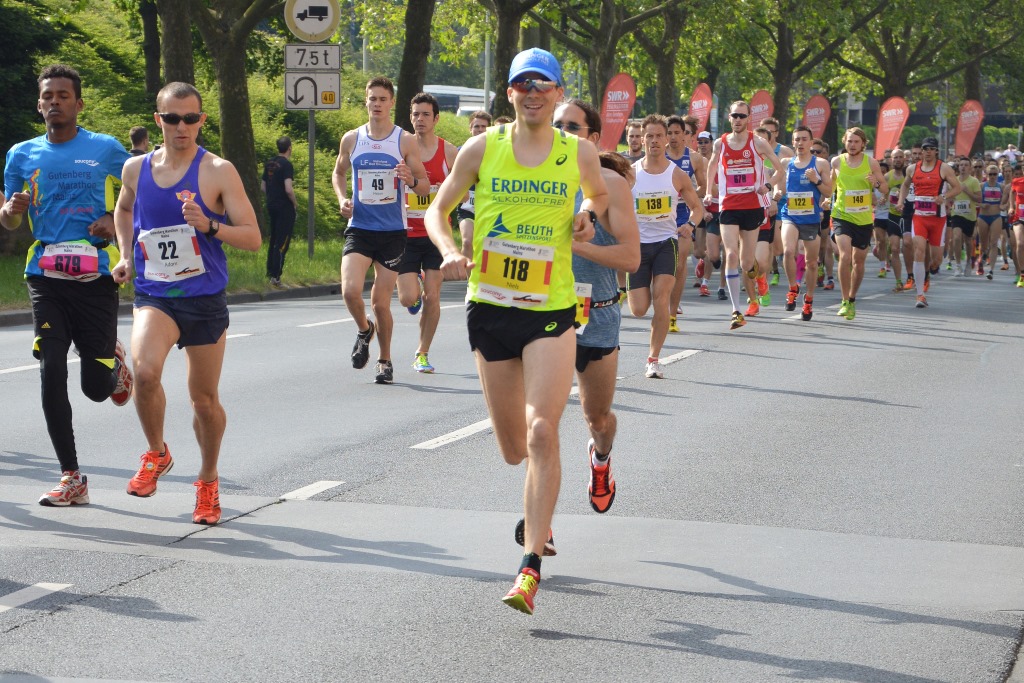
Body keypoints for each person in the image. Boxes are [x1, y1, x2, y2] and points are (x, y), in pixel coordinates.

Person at [424, 47, 607, 615]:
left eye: (544, 85)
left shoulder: (578, 151)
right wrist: (450, 248)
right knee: (511, 450)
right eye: (523, 84)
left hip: (551, 311)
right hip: (491, 308)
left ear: (557, 94)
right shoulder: (484, 148)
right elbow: (437, 207)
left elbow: (599, 194)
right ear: (510, 94)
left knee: (541, 434)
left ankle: (529, 567)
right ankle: (536, 504)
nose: (534, 93)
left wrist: (589, 214)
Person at [111, 81, 262, 525]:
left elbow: (253, 237)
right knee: (145, 372)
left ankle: (209, 480)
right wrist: (124, 253)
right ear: (158, 120)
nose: (182, 126)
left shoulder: (217, 170)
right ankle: (157, 453)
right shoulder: (135, 169)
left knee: (203, 401)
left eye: (191, 118)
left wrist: (209, 225)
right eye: (173, 118)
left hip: (204, 299)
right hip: (155, 293)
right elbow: (123, 210)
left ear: (202, 121)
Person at [2, 64, 134, 507]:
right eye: (48, 96)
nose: (55, 102)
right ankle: (71, 476)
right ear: (39, 105)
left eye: (63, 95)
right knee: (50, 366)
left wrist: (113, 223)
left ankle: (112, 363)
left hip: (95, 275)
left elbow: (141, 195)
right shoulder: (22, 154)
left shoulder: (106, 149)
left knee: (95, 388)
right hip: (45, 273)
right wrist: (13, 209)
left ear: (78, 103)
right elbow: (9, 217)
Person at [551, 99, 639, 515]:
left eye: (573, 127)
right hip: (542, 310)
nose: (563, 132)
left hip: (597, 309)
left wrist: (575, 245)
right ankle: (539, 521)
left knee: (597, 418)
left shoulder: (610, 184)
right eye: (557, 125)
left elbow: (630, 259)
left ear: (592, 138)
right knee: (540, 423)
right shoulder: (530, 179)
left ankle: (600, 459)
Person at [331, 76, 429, 384]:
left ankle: (384, 359)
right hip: (359, 227)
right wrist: (342, 198)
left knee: (380, 302)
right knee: (349, 290)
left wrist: (409, 179)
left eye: (382, 99)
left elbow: (424, 184)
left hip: (392, 231)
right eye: (372, 99)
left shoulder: (404, 140)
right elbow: (338, 172)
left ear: (391, 103)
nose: (377, 104)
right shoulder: (352, 138)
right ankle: (364, 329)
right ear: (366, 102)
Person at [628, 114, 703, 377]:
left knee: (661, 300)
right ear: (642, 139)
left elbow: (697, 208)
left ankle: (653, 359)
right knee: (638, 309)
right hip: (637, 246)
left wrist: (690, 225)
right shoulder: (631, 173)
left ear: (667, 138)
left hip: (666, 244)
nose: (655, 140)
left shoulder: (677, 174)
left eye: (660, 135)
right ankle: (644, 298)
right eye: (649, 136)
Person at [704, 100, 782, 330]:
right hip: (728, 206)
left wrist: (767, 187)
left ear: (748, 119)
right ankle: (736, 311)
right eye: (734, 116)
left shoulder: (757, 142)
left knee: (747, 262)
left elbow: (780, 169)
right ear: (729, 118)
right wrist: (709, 191)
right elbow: (711, 166)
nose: (738, 120)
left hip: (752, 207)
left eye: (742, 116)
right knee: (730, 254)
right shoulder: (720, 143)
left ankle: (760, 279)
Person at [397, 92, 459, 373]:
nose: (419, 120)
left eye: (425, 115)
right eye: (415, 114)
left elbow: (466, 186)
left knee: (433, 296)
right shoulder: (400, 149)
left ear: (436, 119)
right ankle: (416, 289)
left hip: (435, 234)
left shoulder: (450, 152)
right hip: (405, 234)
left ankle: (422, 352)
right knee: (409, 298)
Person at [828, 127, 888, 320]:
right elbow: (831, 184)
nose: (852, 145)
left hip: (863, 218)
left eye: (856, 142)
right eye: (849, 141)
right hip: (841, 215)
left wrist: (876, 183)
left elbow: (885, 188)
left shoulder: (871, 163)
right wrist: (826, 198)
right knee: (844, 256)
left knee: (858, 261)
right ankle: (844, 300)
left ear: (863, 144)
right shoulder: (836, 161)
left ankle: (852, 298)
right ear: (844, 143)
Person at [774, 125, 831, 321]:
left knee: (812, 263)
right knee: (788, 251)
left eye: (804, 139)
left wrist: (816, 180)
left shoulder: (821, 164)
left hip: (811, 217)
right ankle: (792, 288)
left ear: (811, 142)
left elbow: (829, 192)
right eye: (797, 139)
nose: (800, 143)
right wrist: (777, 193)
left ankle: (808, 300)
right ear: (793, 142)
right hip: (790, 214)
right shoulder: (786, 162)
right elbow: (779, 187)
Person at [896, 136, 961, 308]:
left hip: (938, 220)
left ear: (936, 151)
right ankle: (920, 295)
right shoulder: (912, 169)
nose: (928, 152)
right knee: (918, 251)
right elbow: (904, 185)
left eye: (931, 149)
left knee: (936, 260)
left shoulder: (943, 168)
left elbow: (957, 187)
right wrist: (901, 201)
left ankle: (929, 272)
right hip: (919, 217)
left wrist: (944, 197)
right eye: (925, 149)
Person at [665, 115, 707, 333]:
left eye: (676, 133)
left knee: (680, 263)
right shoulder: (658, 155)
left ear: (685, 135)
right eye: (669, 133)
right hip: (660, 216)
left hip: (683, 215)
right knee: (663, 266)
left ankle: (672, 314)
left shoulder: (694, 159)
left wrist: (687, 191)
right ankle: (663, 305)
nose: (672, 137)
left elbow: (702, 188)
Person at [261, 135, 297, 287]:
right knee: (282, 242)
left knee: (274, 239)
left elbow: (262, 187)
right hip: (284, 208)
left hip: (271, 205)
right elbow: (288, 189)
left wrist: (272, 196)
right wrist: (295, 204)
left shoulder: (269, 163)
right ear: (289, 148)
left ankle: (270, 272)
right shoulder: (286, 165)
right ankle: (276, 276)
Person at [457, 110, 491, 260]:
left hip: (489, 209)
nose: (480, 130)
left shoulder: (498, 153)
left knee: (487, 248)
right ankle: (469, 281)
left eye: (484, 127)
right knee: (467, 241)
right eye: (476, 126)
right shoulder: (460, 152)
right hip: (467, 209)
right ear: (470, 128)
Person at [948, 158, 981, 277]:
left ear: (970, 168)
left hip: (970, 215)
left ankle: (968, 262)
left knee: (968, 241)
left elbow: (979, 199)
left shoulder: (974, 181)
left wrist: (967, 191)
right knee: (956, 237)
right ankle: (957, 264)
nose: (963, 167)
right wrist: (949, 200)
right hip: (956, 213)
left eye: (966, 165)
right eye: (961, 165)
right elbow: (949, 197)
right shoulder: (954, 181)